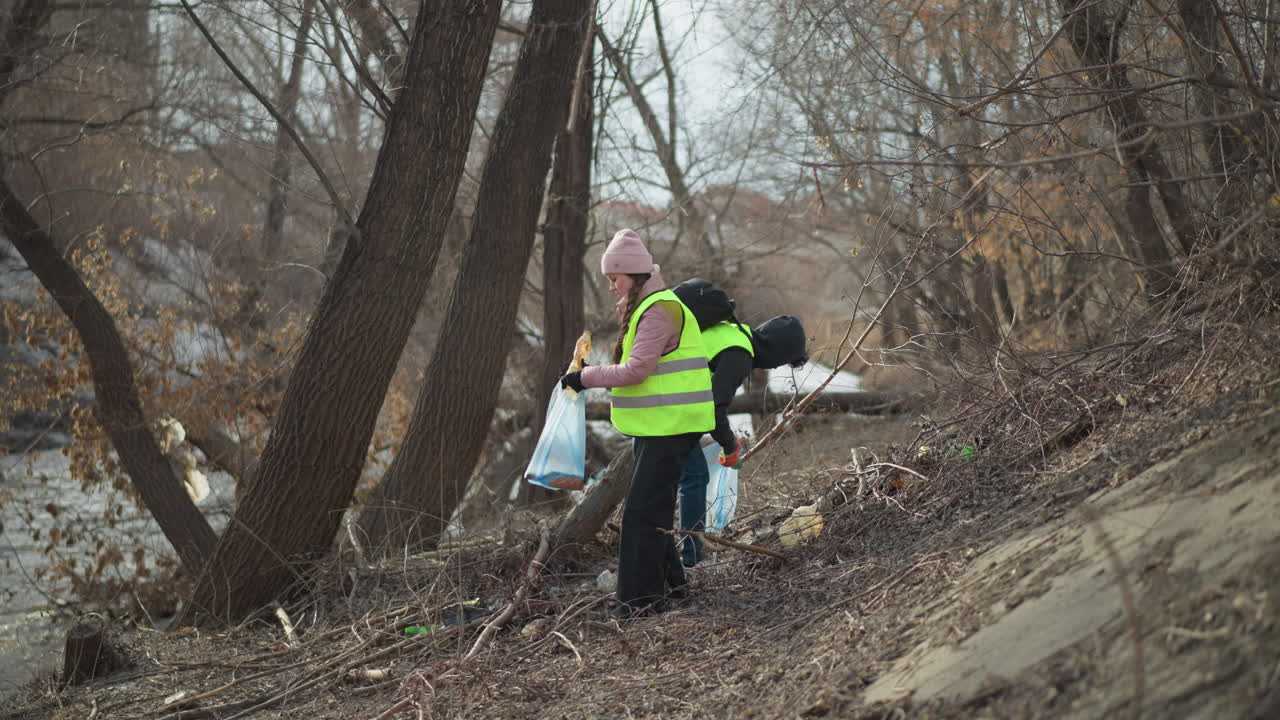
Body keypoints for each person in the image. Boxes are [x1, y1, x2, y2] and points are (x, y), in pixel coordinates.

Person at [558, 229, 715, 619]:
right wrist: (589, 372)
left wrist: (585, 377)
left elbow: (637, 370)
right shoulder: (648, 307)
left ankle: (639, 602)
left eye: (615, 278)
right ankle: (673, 590)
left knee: (643, 513)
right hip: (660, 425)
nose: (612, 287)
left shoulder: (659, 308)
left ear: (634, 273)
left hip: (672, 425)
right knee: (652, 508)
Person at [670, 280, 810, 568]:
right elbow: (713, 406)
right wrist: (729, 443)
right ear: (778, 354)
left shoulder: (731, 331)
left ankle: (674, 554)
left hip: (660, 400)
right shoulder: (738, 353)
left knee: (676, 479)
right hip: (664, 408)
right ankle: (691, 559)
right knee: (694, 478)